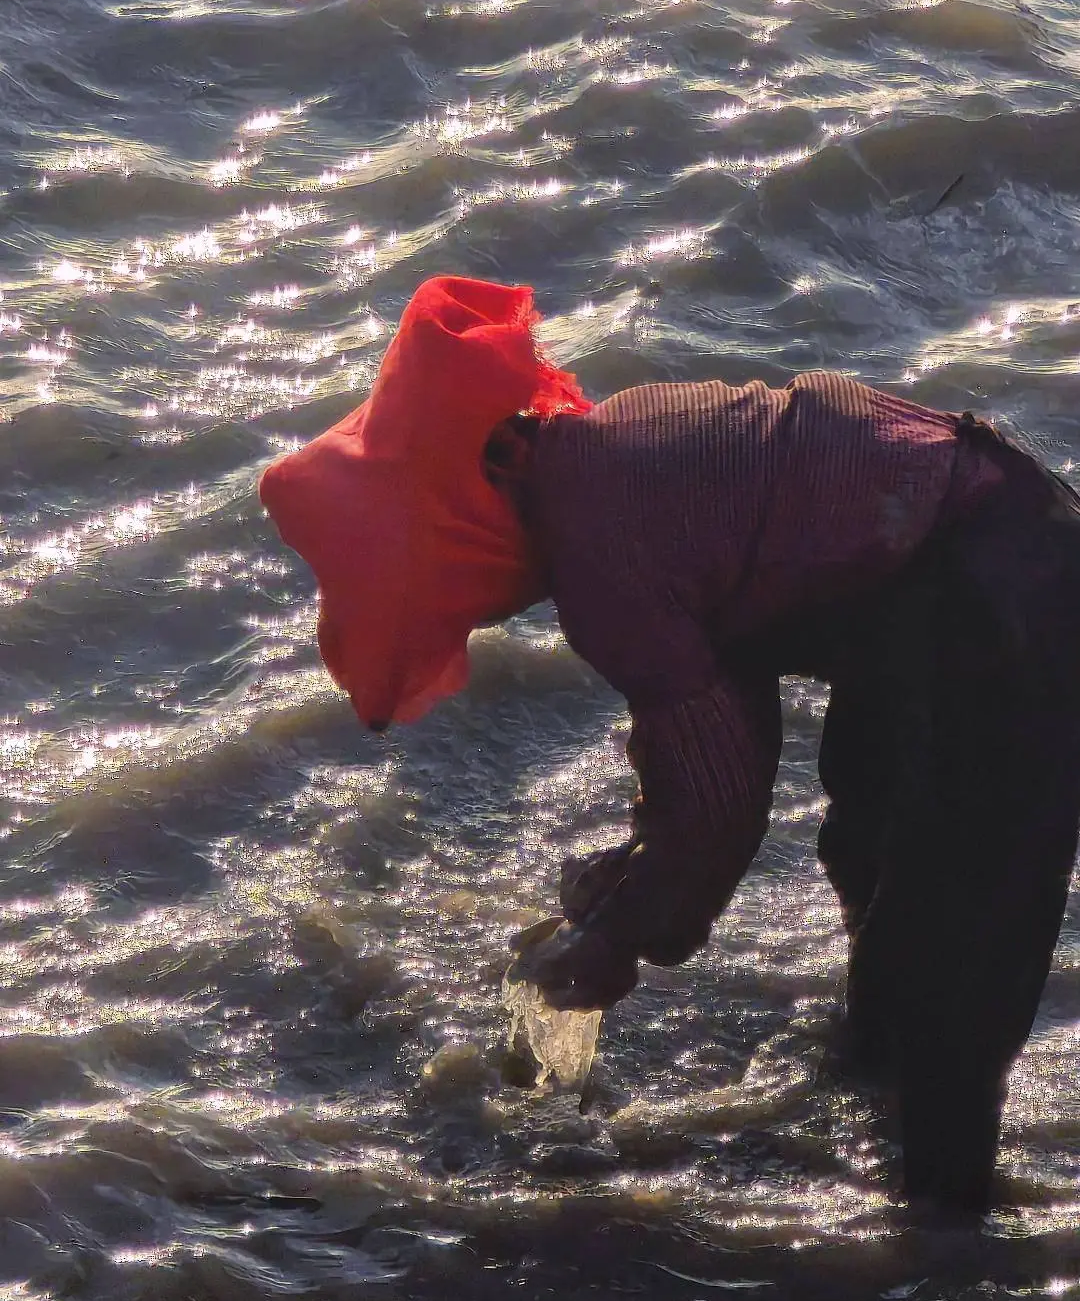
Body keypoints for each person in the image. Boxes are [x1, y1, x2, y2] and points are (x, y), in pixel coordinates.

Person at [260, 273, 1080, 1213]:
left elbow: (721, 804)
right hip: (978, 544)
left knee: (953, 948)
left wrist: (619, 936)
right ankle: (888, 1117)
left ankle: (952, 1269)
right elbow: (719, 722)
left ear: (459, 521)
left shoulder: (600, 552)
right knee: (876, 857)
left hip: (998, 601)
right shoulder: (612, 446)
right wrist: (640, 873)